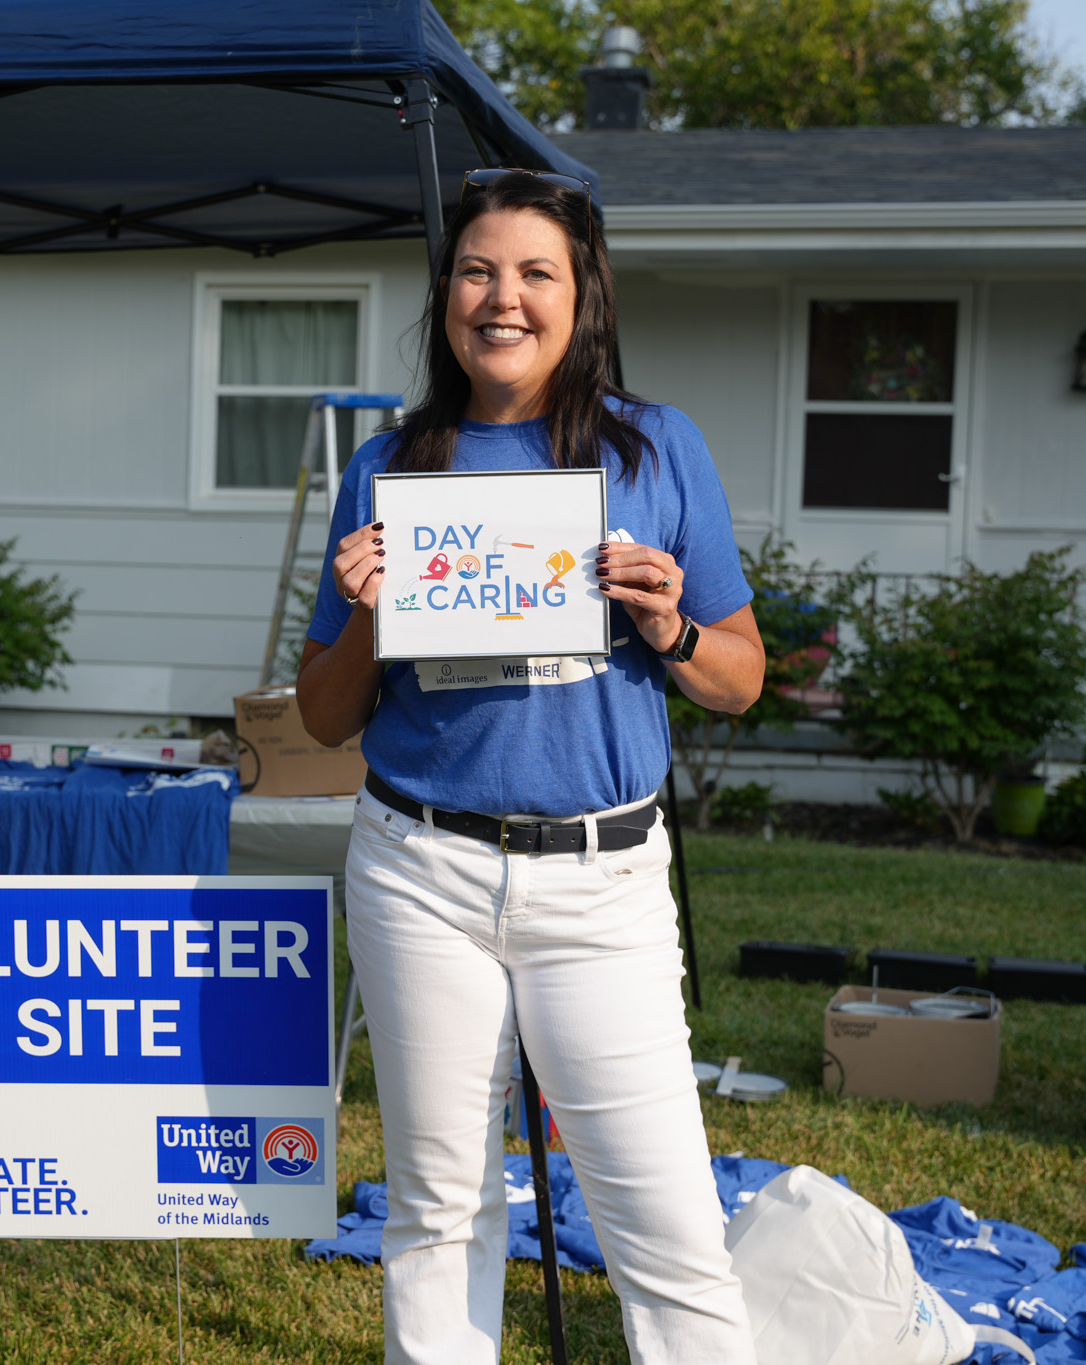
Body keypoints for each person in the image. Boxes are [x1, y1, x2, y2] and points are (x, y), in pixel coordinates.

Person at [296, 171, 766, 1365]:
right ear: (444, 295)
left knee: (663, 1225)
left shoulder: (657, 450)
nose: (500, 298)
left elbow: (739, 676)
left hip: (599, 885)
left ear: (580, 295)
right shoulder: (388, 470)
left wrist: (668, 627)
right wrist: (363, 615)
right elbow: (321, 715)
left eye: (533, 273)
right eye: (474, 270)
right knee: (439, 1209)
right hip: (419, 873)